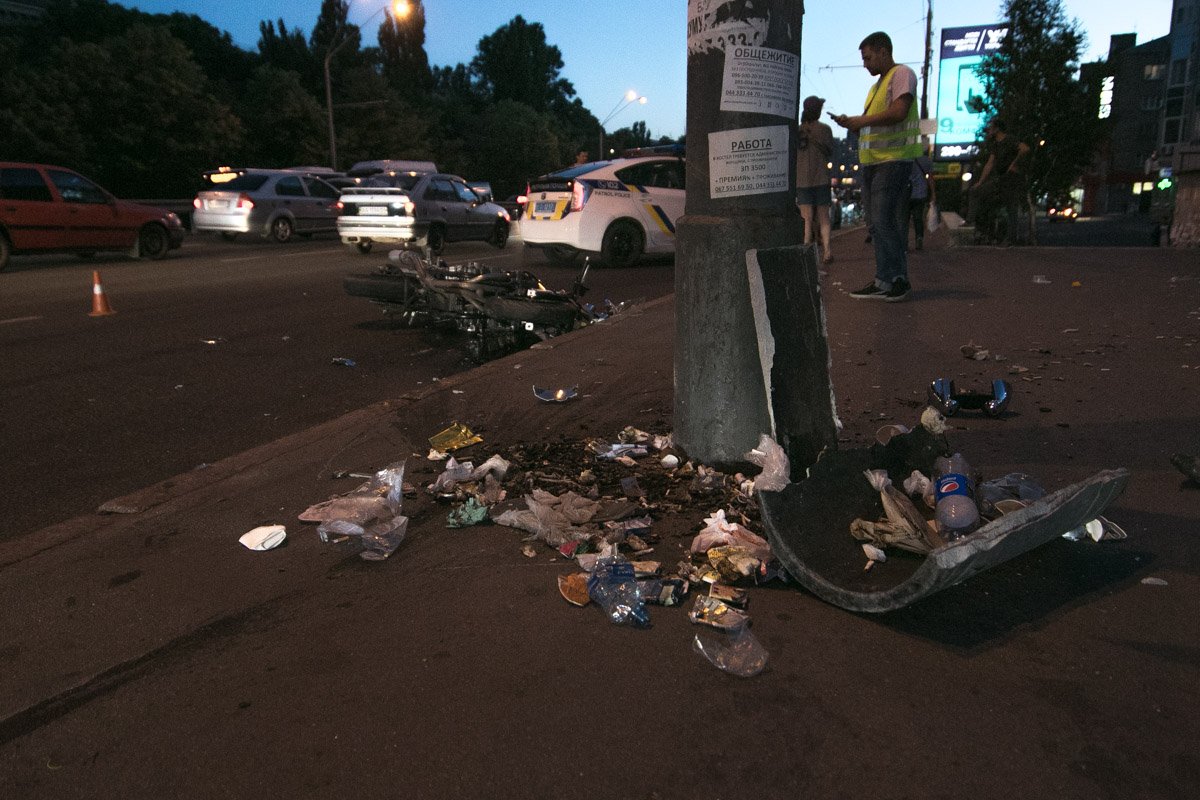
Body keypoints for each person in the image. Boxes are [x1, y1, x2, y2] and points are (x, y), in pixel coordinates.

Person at [830, 31, 923, 302]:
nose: (865, 64)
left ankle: (898, 280)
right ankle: (884, 279)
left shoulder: (901, 74)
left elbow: (899, 112)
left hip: (893, 160)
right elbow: (874, 124)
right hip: (874, 162)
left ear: (884, 51)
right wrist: (853, 124)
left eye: (868, 58)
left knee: (883, 221)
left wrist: (860, 121)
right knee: (875, 223)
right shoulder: (875, 88)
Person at [969, 118, 1029, 244]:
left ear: (997, 129)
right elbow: (989, 164)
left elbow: (1024, 148)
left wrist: (1014, 164)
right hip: (1001, 178)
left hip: (1012, 178)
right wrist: (980, 182)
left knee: (1011, 207)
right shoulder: (995, 144)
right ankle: (975, 224)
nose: (989, 130)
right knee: (978, 192)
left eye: (991, 128)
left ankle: (1011, 239)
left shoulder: (1009, 139)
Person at [795, 95, 835, 265]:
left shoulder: (797, 131)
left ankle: (806, 250)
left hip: (802, 180)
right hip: (821, 178)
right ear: (818, 111)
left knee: (806, 218)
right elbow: (830, 151)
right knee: (824, 216)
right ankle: (827, 251)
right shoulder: (825, 130)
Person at [907, 150, 935, 251]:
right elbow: (930, 178)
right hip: (921, 193)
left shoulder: (906, 159)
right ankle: (919, 238)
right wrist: (933, 194)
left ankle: (904, 241)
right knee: (918, 217)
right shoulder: (926, 160)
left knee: (904, 218)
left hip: (907, 193)